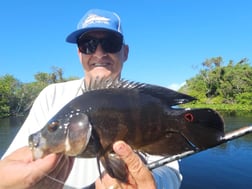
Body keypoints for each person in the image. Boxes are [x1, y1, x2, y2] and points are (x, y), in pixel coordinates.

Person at [0, 9, 182, 189]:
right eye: (88, 44)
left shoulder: (144, 102)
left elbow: (171, 173)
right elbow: (13, 162)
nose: (99, 53)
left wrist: (153, 182)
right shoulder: (52, 95)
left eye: (110, 43)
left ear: (125, 52)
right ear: (79, 54)